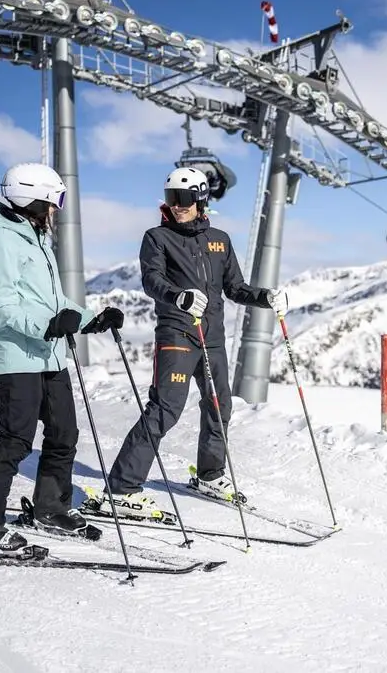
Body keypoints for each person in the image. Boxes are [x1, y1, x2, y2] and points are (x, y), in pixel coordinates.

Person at [87, 167, 284, 520]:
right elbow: (152, 280)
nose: (177, 205)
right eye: (171, 198)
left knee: (219, 406)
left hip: (213, 339)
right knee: (165, 409)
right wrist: (179, 297)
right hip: (177, 335)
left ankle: (210, 475)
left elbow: (235, 288)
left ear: (201, 199)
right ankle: (122, 489)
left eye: (184, 198)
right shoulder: (157, 237)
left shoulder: (220, 240)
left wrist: (265, 297)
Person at [0, 162, 124, 551]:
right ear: (32, 199)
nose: (55, 210)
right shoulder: (2, 239)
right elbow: (3, 306)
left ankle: (51, 508)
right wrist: (47, 327)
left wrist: (90, 319)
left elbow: (55, 303)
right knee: (15, 440)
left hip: (49, 356)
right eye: (53, 202)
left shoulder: (37, 239)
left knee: (64, 433)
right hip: (18, 358)